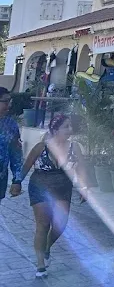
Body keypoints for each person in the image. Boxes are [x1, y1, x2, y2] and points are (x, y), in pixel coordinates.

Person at [25, 113, 86, 278]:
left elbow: (81, 167)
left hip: (62, 187)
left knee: (60, 224)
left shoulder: (74, 147)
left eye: (70, 126)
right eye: (66, 126)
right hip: (39, 185)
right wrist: (17, 182)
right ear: (55, 130)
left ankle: (46, 248)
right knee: (43, 224)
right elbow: (27, 164)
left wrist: (84, 187)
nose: (70, 129)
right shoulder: (41, 147)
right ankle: (40, 265)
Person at [0, 88, 25, 206]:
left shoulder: (11, 125)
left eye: (10, 101)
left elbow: (16, 154)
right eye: (5, 101)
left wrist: (17, 179)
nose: (9, 105)